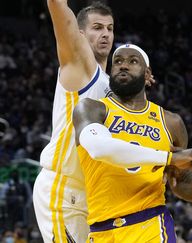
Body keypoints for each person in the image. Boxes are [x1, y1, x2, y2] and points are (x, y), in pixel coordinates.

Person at [32, 1, 156, 242]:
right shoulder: (79, 65)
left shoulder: (112, 86)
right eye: (97, 27)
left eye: (110, 28)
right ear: (79, 34)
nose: (106, 34)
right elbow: (58, 9)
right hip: (65, 189)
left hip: (95, 196)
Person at [73, 43, 192, 242]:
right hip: (100, 230)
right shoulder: (92, 109)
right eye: (117, 61)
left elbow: (180, 181)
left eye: (133, 61)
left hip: (149, 224)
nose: (123, 65)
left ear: (148, 75)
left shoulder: (171, 122)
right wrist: (170, 157)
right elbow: (99, 148)